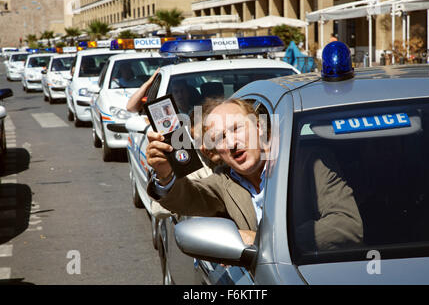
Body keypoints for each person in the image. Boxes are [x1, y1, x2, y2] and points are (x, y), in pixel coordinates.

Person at [145, 97, 363, 247]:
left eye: (236, 128)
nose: (231, 143)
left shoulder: (308, 162)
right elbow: (186, 198)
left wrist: (260, 240)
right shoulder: (223, 181)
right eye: (219, 138)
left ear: (259, 127)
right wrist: (165, 174)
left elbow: (346, 225)